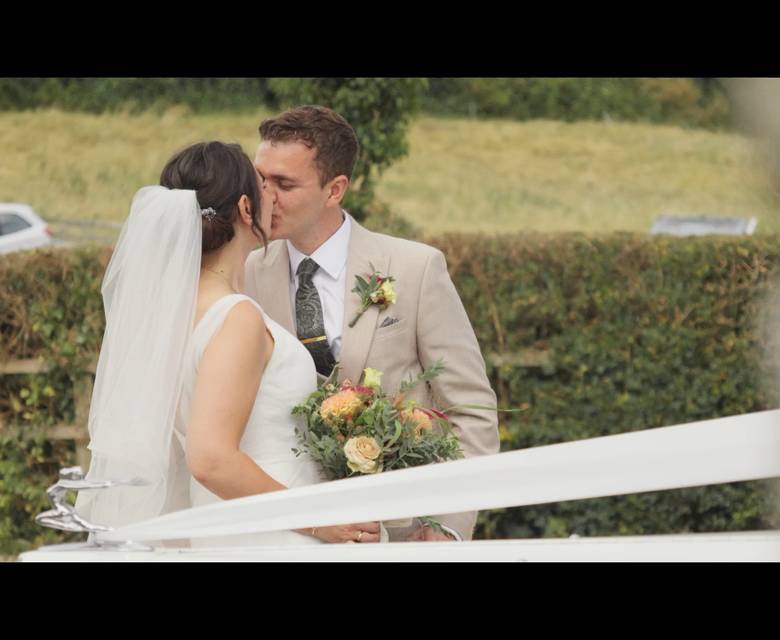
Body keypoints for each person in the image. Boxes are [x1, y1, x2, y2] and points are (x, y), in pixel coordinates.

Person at [75, 141, 379, 545]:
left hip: (226, 522)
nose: (272, 195)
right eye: (263, 186)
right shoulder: (236, 316)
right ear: (246, 208)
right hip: (268, 536)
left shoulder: (171, 311)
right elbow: (210, 458)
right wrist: (314, 519)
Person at [245, 105, 501, 541]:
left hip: (399, 533)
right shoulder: (246, 274)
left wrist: (447, 526)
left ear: (335, 189)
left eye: (284, 184)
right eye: (261, 179)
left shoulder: (415, 268)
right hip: (284, 529)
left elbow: (471, 408)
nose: (265, 196)